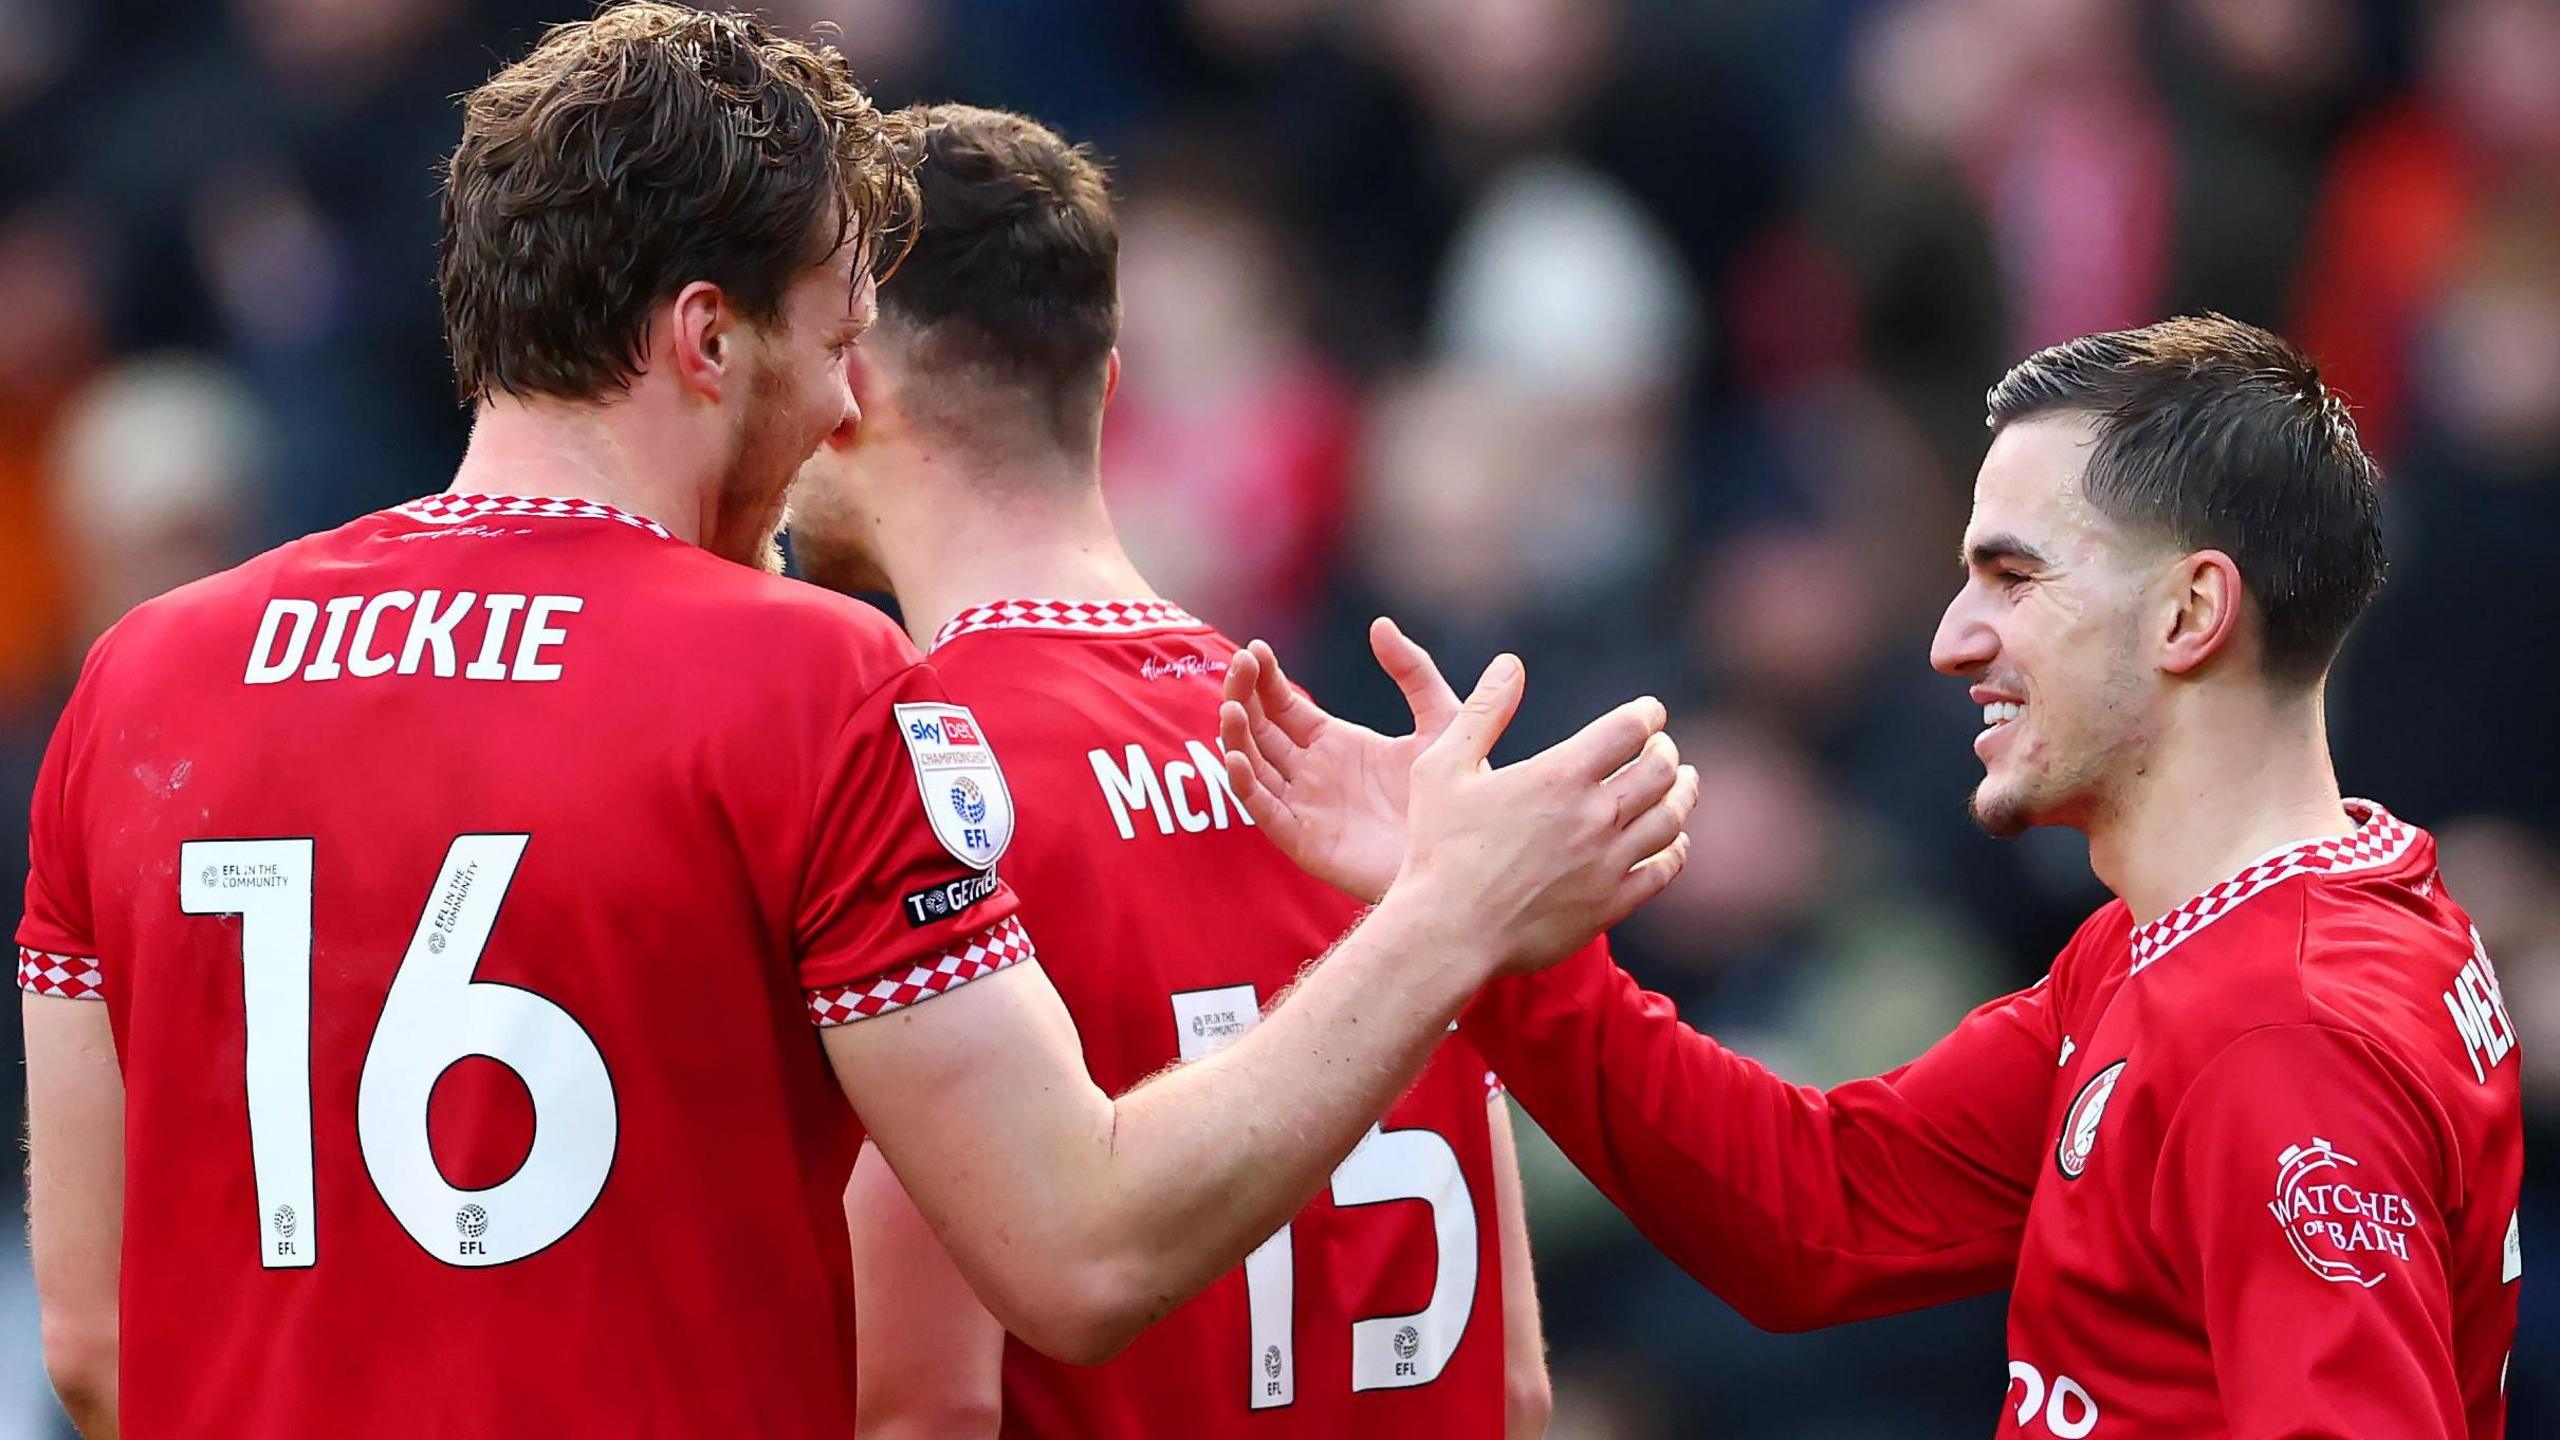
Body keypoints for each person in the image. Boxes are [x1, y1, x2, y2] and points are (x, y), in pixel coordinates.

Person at [15, 9, 1697, 1438]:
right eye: (830, 342)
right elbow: (1080, 1256)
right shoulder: (802, 677)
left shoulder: (145, 673)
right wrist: (1450, 915)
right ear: (703, 339)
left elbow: (88, 1340)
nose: (840, 404)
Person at [1220, 314, 2523, 1438]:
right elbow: (1827, 1209)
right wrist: (1484, 925)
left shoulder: (2272, 1031)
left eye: (2013, 577)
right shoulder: (2215, 941)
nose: (1956, 640)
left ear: (2190, 615)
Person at [788, 104, 1554, 1438]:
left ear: (852, 390)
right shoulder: (1352, 776)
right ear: (1108, 388)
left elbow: (925, 1411)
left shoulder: (915, 780)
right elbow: (1519, 1387)